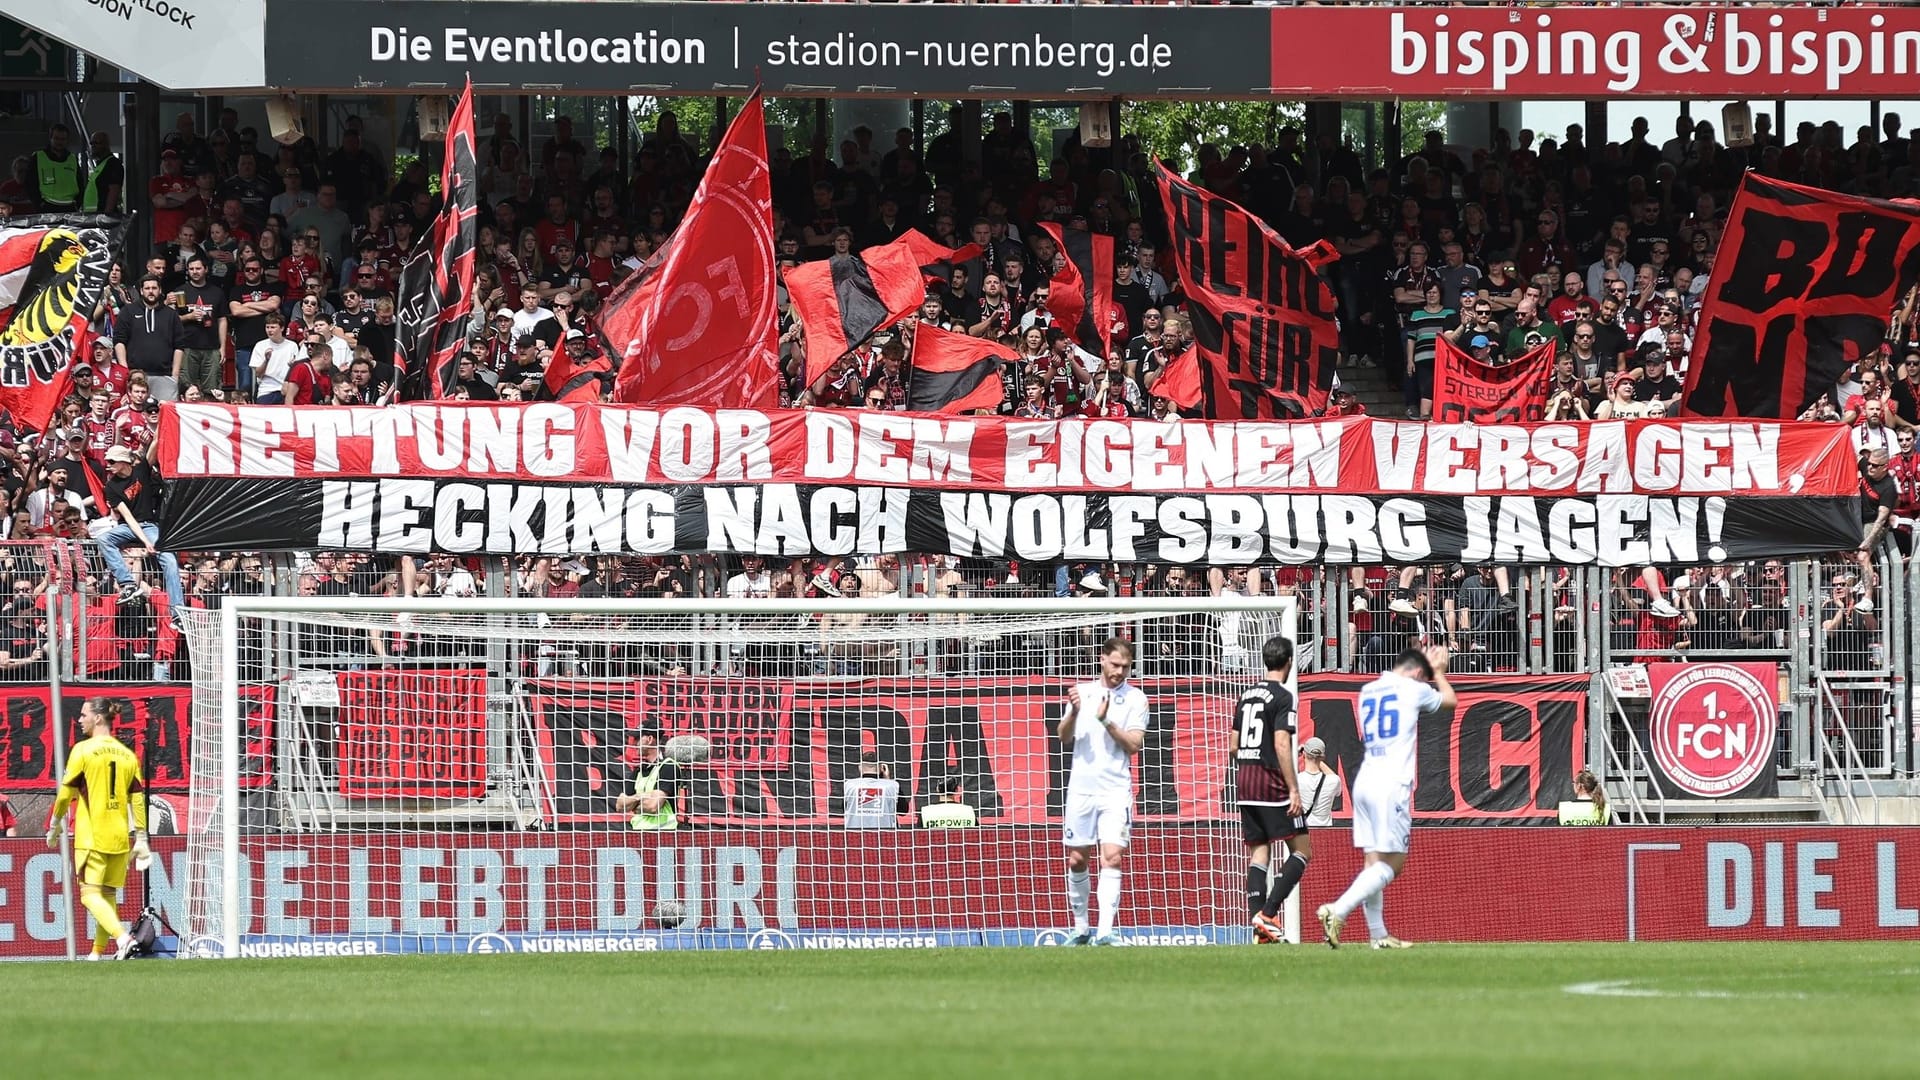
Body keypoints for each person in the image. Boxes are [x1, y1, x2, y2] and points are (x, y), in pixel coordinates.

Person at [1317, 644, 1455, 950]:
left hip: (1365, 779)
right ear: (1418, 672)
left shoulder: (1368, 690)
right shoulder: (1413, 689)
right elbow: (1449, 701)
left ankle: (1378, 935)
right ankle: (1336, 910)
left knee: (1373, 860)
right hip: (1391, 783)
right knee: (1394, 863)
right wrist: (1439, 674)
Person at [1058, 637, 1150, 946]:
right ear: (1102, 660)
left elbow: (1134, 745)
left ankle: (1105, 931)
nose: (1120, 672)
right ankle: (1081, 928)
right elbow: (1063, 737)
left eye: (1125, 667)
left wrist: (1106, 721)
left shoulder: (1136, 699)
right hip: (1081, 790)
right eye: (1115, 665)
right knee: (1076, 860)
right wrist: (1073, 712)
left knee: (1111, 857)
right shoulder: (1082, 692)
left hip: (1115, 790)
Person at [47, 697, 148, 959]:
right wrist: (142, 836)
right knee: (108, 896)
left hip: (92, 837)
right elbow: (137, 798)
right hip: (119, 838)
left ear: (98, 718)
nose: (79, 720)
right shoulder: (127, 754)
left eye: (83, 715)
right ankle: (96, 954)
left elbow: (65, 793)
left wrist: (56, 823)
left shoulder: (83, 750)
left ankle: (124, 939)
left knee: (88, 896)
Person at [1237, 637, 1310, 945]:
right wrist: (1293, 788)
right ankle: (1267, 913)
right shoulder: (1283, 696)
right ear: (1289, 661)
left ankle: (1259, 930)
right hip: (1270, 781)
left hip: (1244, 779)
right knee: (1303, 849)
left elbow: (1232, 745)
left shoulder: (1246, 695)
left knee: (1260, 851)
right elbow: (1282, 743)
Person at [98, 445, 186, 618]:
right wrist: (146, 541)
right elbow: (128, 517)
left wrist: (161, 420)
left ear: (124, 462)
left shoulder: (141, 470)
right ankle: (128, 584)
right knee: (103, 539)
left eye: (112, 461)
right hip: (128, 526)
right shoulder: (111, 487)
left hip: (149, 524)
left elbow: (155, 444)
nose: (107, 464)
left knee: (169, 559)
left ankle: (178, 611)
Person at [613, 732, 680, 831]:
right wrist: (639, 797)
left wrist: (634, 805)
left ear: (649, 739)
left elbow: (653, 807)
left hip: (664, 833)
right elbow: (619, 806)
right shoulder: (639, 770)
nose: (635, 743)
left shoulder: (668, 766)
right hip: (638, 832)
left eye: (638, 739)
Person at [843, 751, 901, 829]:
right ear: (882, 768)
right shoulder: (893, 786)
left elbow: (844, 808)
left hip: (854, 836)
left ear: (860, 767)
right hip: (885, 836)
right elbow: (902, 810)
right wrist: (887, 779)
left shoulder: (849, 785)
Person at [1295, 737, 1339, 828]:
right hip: (1325, 832)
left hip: (1304, 832)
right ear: (1322, 757)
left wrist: (1296, 754)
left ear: (1304, 754)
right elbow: (1334, 777)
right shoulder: (1334, 781)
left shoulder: (1297, 780)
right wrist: (1318, 760)